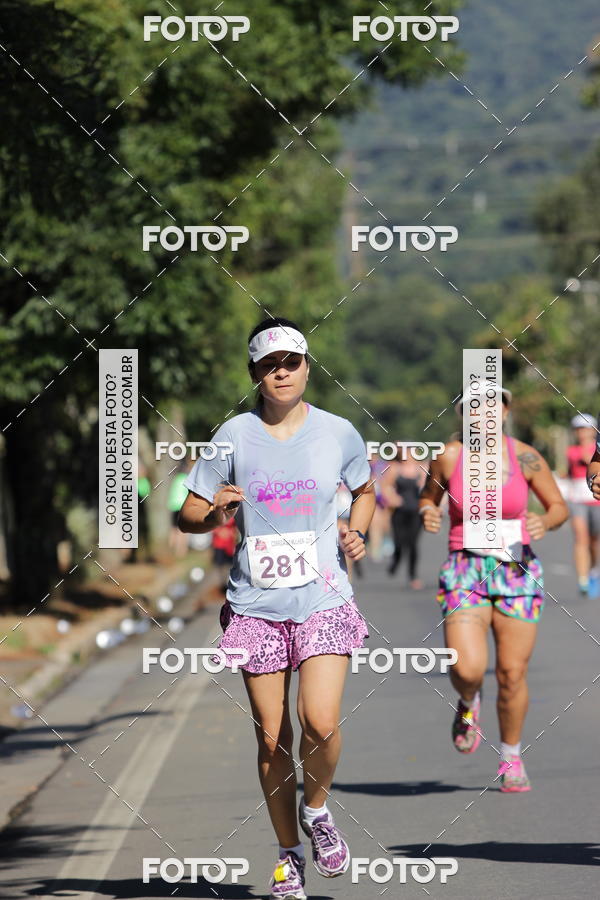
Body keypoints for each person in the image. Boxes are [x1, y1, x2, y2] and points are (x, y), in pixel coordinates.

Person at [178, 317, 375, 900]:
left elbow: (363, 490)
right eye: (270, 364)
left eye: (291, 361)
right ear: (255, 373)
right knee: (272, 737)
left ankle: (316, 811)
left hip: (323, 597)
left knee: (320, 721)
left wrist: (356, 531)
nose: (281, 371)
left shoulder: (338, 432)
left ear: (307, 366)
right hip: (255, 606)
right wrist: (214, 511)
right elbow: (187, 515)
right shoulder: (231, 437)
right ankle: (289, 855)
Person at [419, 386, 568, 792]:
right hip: (466, 569)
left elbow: (558, 507)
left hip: (516, 571)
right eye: (473, 406)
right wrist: (429, 512)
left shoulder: (526, 457)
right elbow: (428, 497)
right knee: (467, 668)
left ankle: (510, 756)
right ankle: (468, 701)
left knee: (511, 673)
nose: (484, 412)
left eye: (493, 403)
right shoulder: (450, 456)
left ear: (505, 410)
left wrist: (545, 522)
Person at [565, 413, 600, 595]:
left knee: (595, 541)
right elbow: (579, 464)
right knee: (581, 539)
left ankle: (594, 569)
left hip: (596, 501)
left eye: (585, 429)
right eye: (578, 429)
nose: (582, 433)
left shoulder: (596, 448)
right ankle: (583, 579)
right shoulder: (572, 451)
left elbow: (591, 460)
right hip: (577, 499)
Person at [381, 445, 425, 589]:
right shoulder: (395, 468)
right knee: (399, 542)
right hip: (399, 511)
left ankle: (413, 576)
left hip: (416, 512)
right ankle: (395, 561)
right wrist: (392, 498)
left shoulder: (421, 468)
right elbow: (385, 486)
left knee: (412, 544)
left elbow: (431, 488)